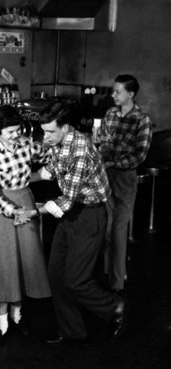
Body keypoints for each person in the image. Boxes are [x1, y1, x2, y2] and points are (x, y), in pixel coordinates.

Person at [33, 102, 126, 343]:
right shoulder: (59, 142)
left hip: (89, 214)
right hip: (71, 216)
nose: (46, 137)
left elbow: (66, 200)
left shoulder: (81, 148)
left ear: (65, 127)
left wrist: (31, 210)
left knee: (76, 280)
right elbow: (52, 169)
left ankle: (115, 308)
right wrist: (23, 179)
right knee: (55, 276)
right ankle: (72, 331)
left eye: (51, 131)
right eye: (44, 131)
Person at [0, 105, 51, 346]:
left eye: (18, 130)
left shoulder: (26, 143)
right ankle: (2, 322)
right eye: (10, 132)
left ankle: (18, 317)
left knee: (24, 262)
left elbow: (49, 155)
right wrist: (13, 211)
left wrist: (55, 165)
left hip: (25, 200)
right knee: (3, 266)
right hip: (1, 212)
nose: (15, 135)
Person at [98, 74, 152, 292]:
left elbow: (140, 156)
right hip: (107, 175)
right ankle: (107, 271)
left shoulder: (142, 120)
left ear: (130, 94)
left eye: (117, 91)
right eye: (113, 91)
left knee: (119, 231)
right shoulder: (110, 114)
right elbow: (102, 140)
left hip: (126, 178)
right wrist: (104, 157)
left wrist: (114, 162)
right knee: (107, 228)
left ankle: (117, 282)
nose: (113, 95)